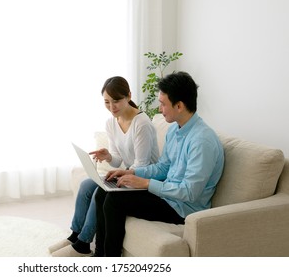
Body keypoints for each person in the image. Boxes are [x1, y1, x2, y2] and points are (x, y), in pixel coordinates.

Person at [94, 71, 225, 257]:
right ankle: (99, 257)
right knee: (104, 191)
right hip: (166, 196)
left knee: (115, 202)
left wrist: (146, 183)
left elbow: (189, 192)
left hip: (182, 208)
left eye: (163, 104)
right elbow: (163, 167)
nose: (159, 109)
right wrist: (131, 172)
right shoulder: (175, 131)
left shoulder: (202, 141)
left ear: (179, 106)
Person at [49, 76, 159, 257]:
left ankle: (83, 244)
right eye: (107, 102)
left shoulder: (142, 123)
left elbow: (142, 164)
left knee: (102, 190)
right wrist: (109, 156)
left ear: (128, 96)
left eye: (116, 101)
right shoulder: (111, 123)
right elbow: (119, 159)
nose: (112, 107)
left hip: (142, 179)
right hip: (128, 173)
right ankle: (75, 235)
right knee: (86, 185)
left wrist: (120, 173)